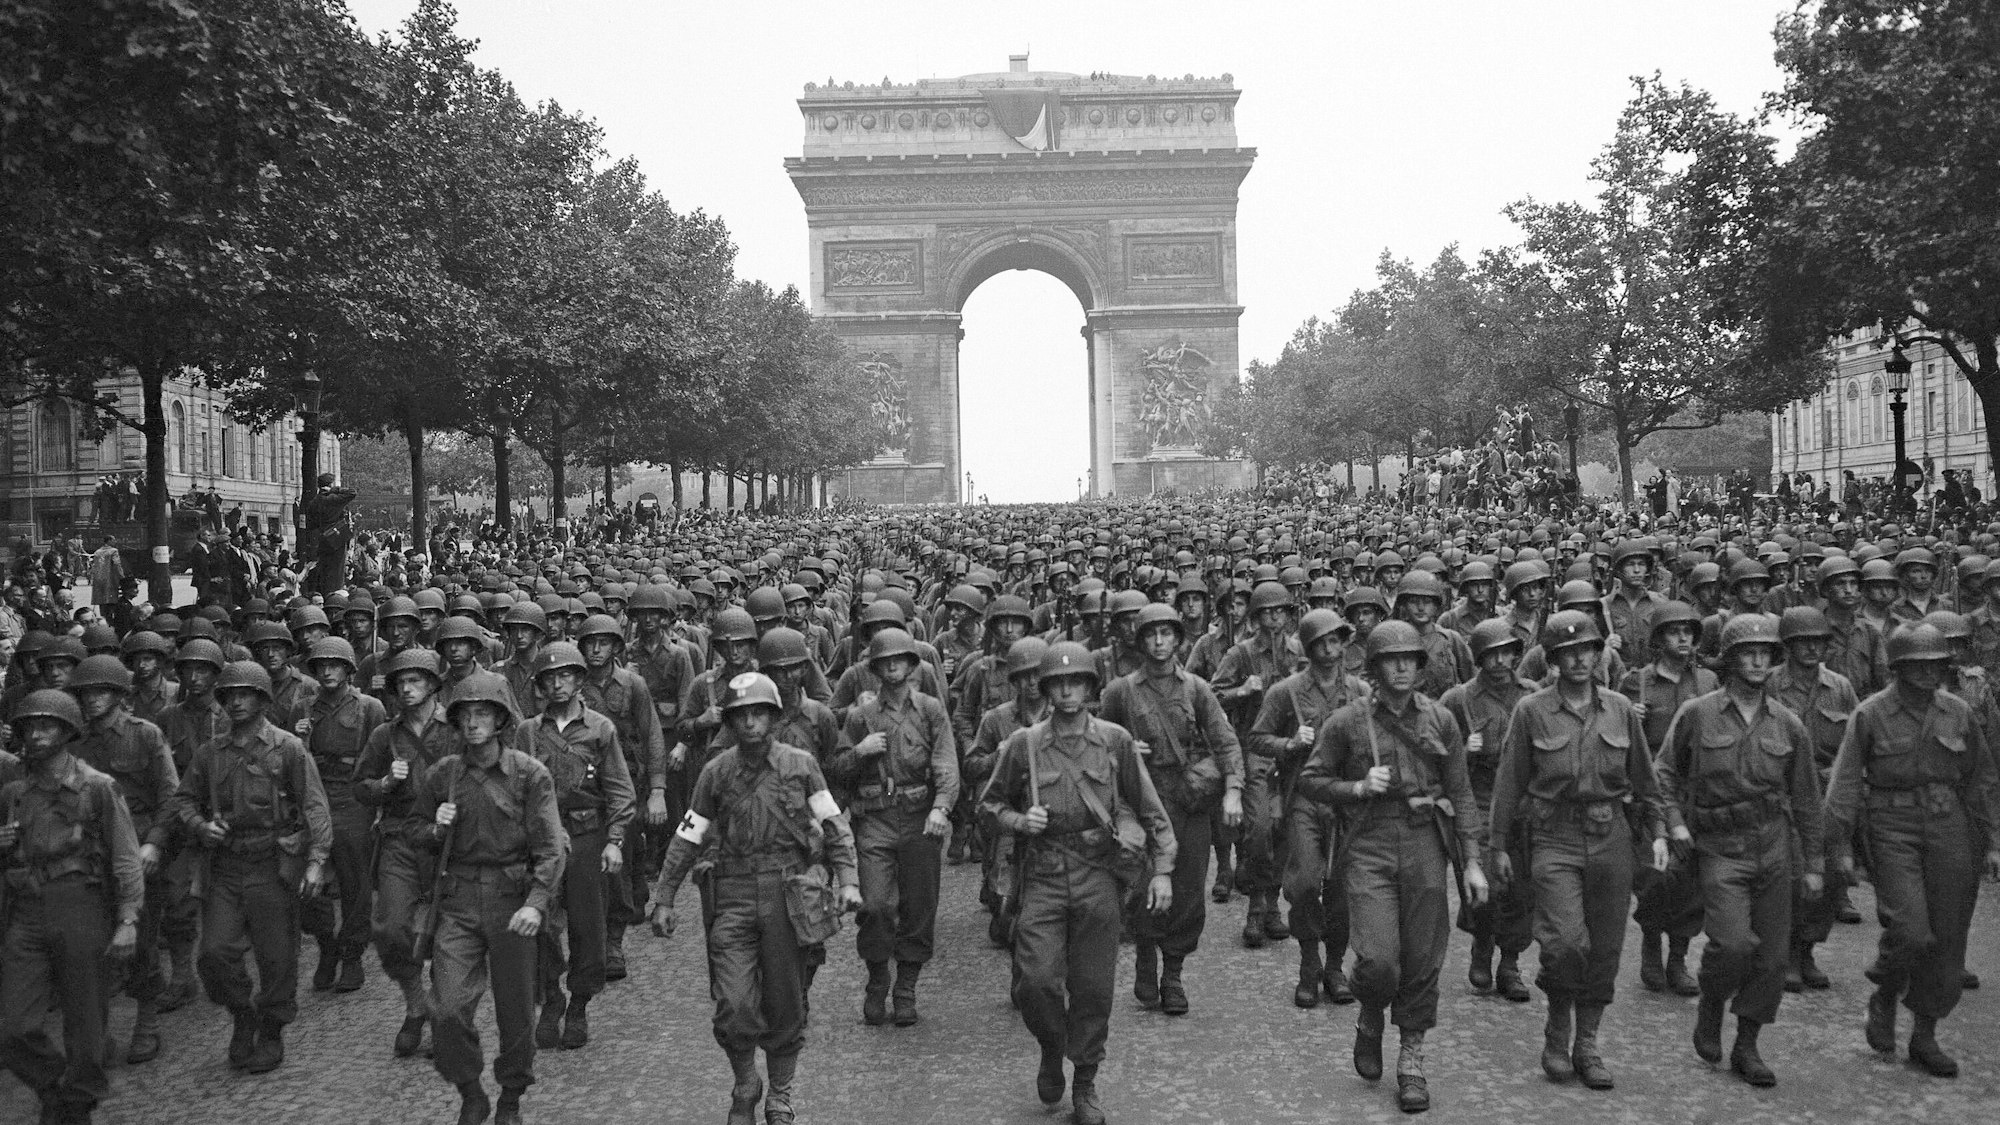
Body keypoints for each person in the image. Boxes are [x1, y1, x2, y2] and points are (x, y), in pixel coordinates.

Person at [650, 671, 861, 1125]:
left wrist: (848, 879)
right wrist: (664, 896)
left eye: (758, 713)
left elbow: (832, 825)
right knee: (733, 1003)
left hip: (788, 893)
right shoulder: (715, 771)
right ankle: (746, 1079)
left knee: (787, 1002)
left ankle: (780, 1094)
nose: (750, 724)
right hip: (733, 894)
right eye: (740, 715)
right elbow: (689, 834)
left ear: (772, 715)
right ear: (730, 720)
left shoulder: (801, 765)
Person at [978, 640, 1175, 1125]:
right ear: (1046, 689)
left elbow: (1150, 809)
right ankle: (1052, 1045)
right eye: (1058, 683)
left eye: (1077, 682)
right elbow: (987, 805)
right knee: (1035, 981)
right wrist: (1020, 822)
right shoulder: (1023, 743)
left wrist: (1164, 870)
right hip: (1043, 874)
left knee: (1092, 986)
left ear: (1090, 687)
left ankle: (1085, 1080)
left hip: (1097, 874)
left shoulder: (1115, 741)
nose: (1067, 692)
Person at [1296, 620, 1487, 1114]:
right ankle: (1370, 1013)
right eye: (1390, 659)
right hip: (1369, 844)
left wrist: (1472, 864)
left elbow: (1461, 793)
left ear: (1421, 667)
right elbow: (1312, 780)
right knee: (1378, 960)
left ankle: (1412, 1057)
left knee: (1423, 957)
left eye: (1410, 659)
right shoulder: (1347, 722)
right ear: (1375, 667)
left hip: (1426, 841)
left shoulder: (1441, 720)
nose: (1401, 667)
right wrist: (1357, 789)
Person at [1488, 610, 1667, 1090]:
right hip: (1554, 836)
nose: (1579, 659)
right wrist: (1497, 846)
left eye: (1587, 650)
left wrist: (1661, 831)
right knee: (1566, 942)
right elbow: (1509, 783)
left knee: (1606, 946)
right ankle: (1557, 1027)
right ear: (1552, 660)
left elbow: (1645, 778)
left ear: (1598, 654)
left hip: (1612, 837)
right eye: (1568, 653)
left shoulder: (1620, 709)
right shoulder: (1532, 711)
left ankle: (1587, 1043)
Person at [1653, 615, 1826, 1086]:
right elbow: (1664, 772)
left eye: (1765, 653)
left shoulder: (1788, 724)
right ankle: (1712, 1005)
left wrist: (1814, 864)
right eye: (1747, 652)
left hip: (1772, 843)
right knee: (1730, 944)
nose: (1756, 661)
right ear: (1729, 659)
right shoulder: (1698, 713)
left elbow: (1808, 799)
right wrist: (1674, 824)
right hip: (1718, 845)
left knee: (1771, 958)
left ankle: (1747, 1042)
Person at [1822, 622, 2000, 1078]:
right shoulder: (1871, 714)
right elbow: (1844, 783)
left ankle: (1925, 1033)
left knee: (1947, 936)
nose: (1927, 672)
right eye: (1916, 665)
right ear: (1898, 668)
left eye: (1935, 664)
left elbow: (1981, 779)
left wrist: (1993, 841)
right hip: (1891, 823)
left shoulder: (1957, 712)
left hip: (1950, 825)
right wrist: (1839, 845)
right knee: (1910, 928)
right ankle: (1884, 992)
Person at [418, 671, 567, 1125]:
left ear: (501, 719)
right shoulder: (443, 775)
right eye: (464, 715)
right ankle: (469, 1089)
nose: (473, 723)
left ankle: (511, 1095)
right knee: (445, 1010)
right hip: (458, 902)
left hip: (512, 900)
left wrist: (536, 904)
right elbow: (413, 836)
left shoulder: (529, 774)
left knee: (517, 1013)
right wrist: (434, 828)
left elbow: (550, 848)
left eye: (483, 714)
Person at [170, 660, 332, 1073]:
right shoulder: (211, 752)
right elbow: (183, 799)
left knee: (277, 958)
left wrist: (315, 862)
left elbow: (314, 805)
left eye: (247, 694)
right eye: (231, 695)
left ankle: (272, 1028)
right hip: (224, 865)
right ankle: (243, 1013)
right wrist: (201, 826)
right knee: (213, 954)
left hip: (271, 863)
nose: (238, 701)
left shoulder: (287, 748)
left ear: (262, 699)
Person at [0, 690, 143, 1125]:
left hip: (80, 903)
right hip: (28, 909)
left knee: (85, 1022)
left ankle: (76, 1103)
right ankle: (56, 1087)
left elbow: (125, 856)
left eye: (47, 726)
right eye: (29, 727)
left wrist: (128, 919)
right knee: (13, 1027)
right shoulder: (14, 793)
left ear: (66, 732)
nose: (36, 734)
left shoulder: (97, 787)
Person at [1098, 603, 1244, 1016]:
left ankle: (1173, 973)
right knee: (1144, 883)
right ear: (1140, 641)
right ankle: (1146, 958)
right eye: (1151, 635)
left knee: (1186, 889)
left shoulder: (1197, 689)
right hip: (1142, 800)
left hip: (1188, 799)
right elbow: (1097, 745)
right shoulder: (1120, 691)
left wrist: (1232, 790)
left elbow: (1226, 742)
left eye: (1167, 634)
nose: (1159, 642)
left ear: (1179, 639)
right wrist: (1124, 748)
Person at [828, 626, 958, 1026]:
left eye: (900, 659)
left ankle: (906, 986)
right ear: (876, 668)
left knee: (919, 906)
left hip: (920, 819)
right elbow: (835, 768)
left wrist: (942, 806)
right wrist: (859, 753)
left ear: (912, 665)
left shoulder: (931, 711)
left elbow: (946, 762)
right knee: (876, 904)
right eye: (885, 662)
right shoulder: (860, 715)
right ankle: (877, 977)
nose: (893, 667)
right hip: (876, 820)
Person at [514, 640, 634, 1051]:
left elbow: (619, 789)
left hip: (587, 836)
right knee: (540, 924)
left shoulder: (600, 728)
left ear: (580, 680)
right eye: (550, 678)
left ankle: (579, 1002)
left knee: (588, 927)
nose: (558, 684)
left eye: (565, 675)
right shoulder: (529, 732)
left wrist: (615, 840)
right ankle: (551, 998)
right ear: (541, 685)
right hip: (544, 842)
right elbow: (517, 789)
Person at [1249, 608, 1369, 1009]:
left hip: (1348, 800)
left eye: (1336, 641)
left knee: (1342, 892)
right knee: (1302, 885)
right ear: (1309, 647)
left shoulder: (1359, 693)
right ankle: (1308, 962)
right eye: (1320, 643)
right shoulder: (1286, 691)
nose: (1329, 650)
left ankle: (1334, 967)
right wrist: (1289, 744)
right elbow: (1258, 738)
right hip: (1304, 797)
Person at [63, 655, 179, 1065]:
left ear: (117, 694)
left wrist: (156, 844)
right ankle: (100, 1032)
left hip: (139, 851)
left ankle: (147, 1023)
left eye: (101, 691)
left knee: (142, 943)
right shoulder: (72, 740)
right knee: (92, 944)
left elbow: (170, 794)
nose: (93, 700)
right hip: (88, 853)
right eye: (86, 693)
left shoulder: (144, 735)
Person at [353, 647, 462, 1056]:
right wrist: (384, 784)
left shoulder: (457, 726)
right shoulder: (386, 734)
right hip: (401, 837)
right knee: (391, 928)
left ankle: (441, 1013)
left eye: (415, 681)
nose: (407, 689)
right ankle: (416, 1002)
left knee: (447, 934)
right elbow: (359, 787)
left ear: (434, 684)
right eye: (401, 683)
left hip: (450, 841)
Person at [1617, 602, 1715, 996]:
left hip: (1694, 790)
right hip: (1650, 794)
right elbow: (1619, 743)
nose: (1682, 639)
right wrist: (1632, 719)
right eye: (1674, 632)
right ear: (1658, 640)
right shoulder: (1636, 682)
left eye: (1688, 632)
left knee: (1691, 880)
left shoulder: (1708, 682)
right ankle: (1651, 944)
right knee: (1655, 874)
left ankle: (1678, 957)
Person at [1437, 617, 1536, 1003]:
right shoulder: (1457, 700)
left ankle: (1510, 963)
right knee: (1483, 884)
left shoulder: (1532, 696)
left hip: (1522, 802)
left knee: (1521, 887)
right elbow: (1433, 753)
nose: (1499, 662)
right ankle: (1482, 942)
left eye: (1506, 654)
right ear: (1478, 658)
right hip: (1475, 798)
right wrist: (1465, 748)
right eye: (1490, 656)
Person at [299, 636, 388, 993]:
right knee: (307, 882)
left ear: (350, 669)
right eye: (321, 666)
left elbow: (378, 758)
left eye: (335, 665)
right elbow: (294, 761)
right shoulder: (303, 708)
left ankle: (351, 954)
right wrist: (298, 736)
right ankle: (326, 945)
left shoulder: (369, 708)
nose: (328, 671)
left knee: (355, 883)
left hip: (353, 798)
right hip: (315, 796)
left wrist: (377, 802)